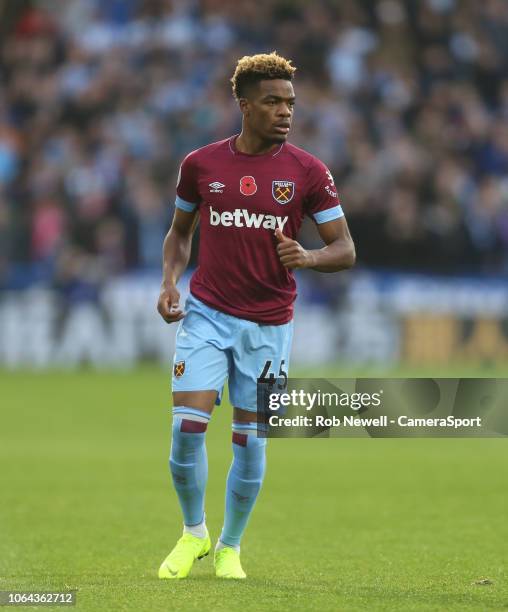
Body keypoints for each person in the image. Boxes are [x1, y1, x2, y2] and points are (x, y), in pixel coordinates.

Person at [156, 52, 355, 580]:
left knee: (250, 438)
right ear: (244, 106)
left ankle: (230, 547)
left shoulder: (309, 172)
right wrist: (170, 281)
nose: (285, 112)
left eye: (290, 102)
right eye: (272, 102)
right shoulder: (201, 165)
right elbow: (180, 232)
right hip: (207, 314)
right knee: (187, 430)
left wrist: (308, 257)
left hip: (270, 327)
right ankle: (193, 533)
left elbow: (345, 249)